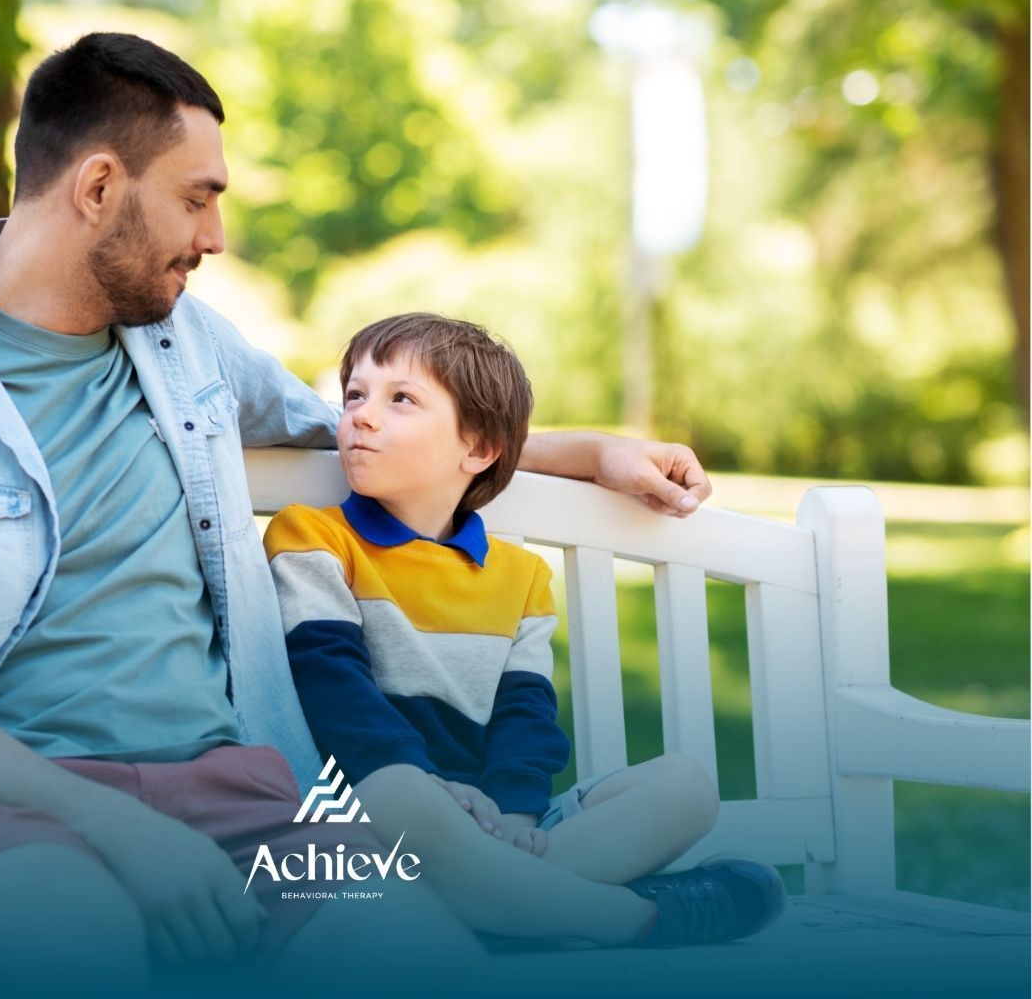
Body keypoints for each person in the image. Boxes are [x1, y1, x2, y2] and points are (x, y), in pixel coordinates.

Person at [0, 31, 714, 992]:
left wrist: (589, 452)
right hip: (11, 823)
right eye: (197, 198)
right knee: (76, 947)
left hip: (245, 807)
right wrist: (118, 826)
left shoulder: (186, 345)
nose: (214, 238)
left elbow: (337, 432)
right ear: (97, 189)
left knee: (417, 962)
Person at [264, 312, 785, 948]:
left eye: (401, 399)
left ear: (478, 449)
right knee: (400, 793)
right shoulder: (311, 536)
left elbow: (525, 715)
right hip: (378, 813)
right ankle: (625, 918)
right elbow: (333, 687)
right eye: (355, 395)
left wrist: (513, 813)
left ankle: (498, 904)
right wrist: (433, 786)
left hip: (498, 825)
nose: (362, 416)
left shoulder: (521, 577)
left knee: (687, 788)